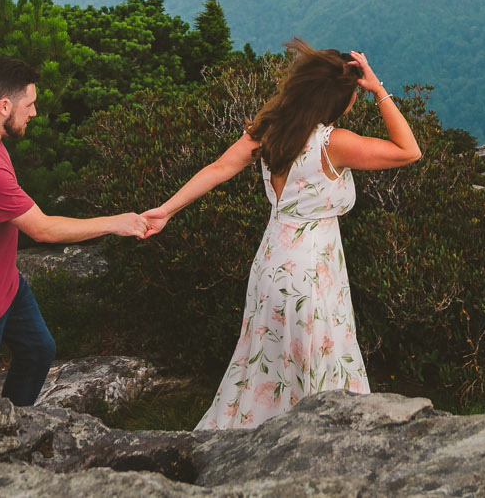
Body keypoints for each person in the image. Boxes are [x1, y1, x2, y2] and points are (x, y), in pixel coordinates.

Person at [142, 40, 421, 430]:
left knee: (267, 364)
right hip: (311, 274)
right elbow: (409, 151)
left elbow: (218, 168)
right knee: (320, 365)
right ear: (339, 99)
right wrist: (379, 90)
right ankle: (326, 449)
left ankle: (251, 442)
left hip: (272, 266)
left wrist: (167, 210)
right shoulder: (333, 144)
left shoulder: (271, 131)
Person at [0, 55, 153, 405]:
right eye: (30, 104)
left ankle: (17, 424)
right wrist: (116, 223)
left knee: (38, 350)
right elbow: (43, 229)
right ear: (5, 106)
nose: (34, 113)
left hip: (3, 282)